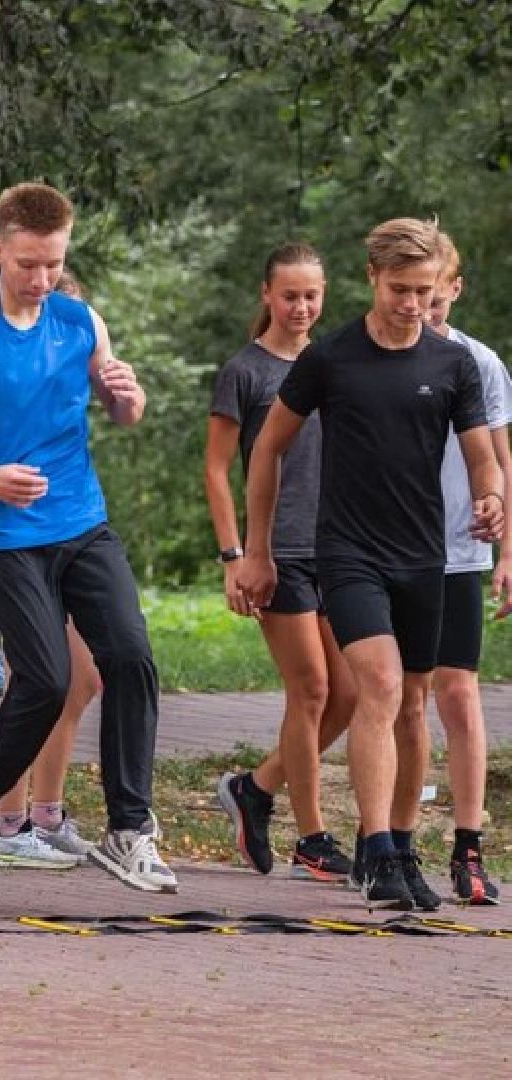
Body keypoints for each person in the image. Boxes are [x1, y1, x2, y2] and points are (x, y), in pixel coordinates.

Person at [0, 181, 178, 894]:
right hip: (3, 533)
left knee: (132, 658)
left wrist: (129, 397)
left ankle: (129, 831)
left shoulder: (81, 322)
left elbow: (122, 412)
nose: (41, 278)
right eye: (27, 263)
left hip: (81, 520)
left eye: (53, 263)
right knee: (46, 680)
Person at [237, 218, 504, 911]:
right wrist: (257, 548)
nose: (411, 304)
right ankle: (378, 847)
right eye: (398, 289)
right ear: (372, 280)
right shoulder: (330, 359)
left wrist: (493, 496)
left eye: (422, 290)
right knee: (380, 687)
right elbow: (267, 449)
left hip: (425, 556)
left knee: (414, 706)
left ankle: (402, 848)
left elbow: (480, 452)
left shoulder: (454, 365)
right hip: (348, 553)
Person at [206, 243, 358, 882]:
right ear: (267, 295)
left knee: (349, 695)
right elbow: (217, 468)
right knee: (312, 689)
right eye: (290, 295)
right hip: (277, 555)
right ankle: (312, 838)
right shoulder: (245, 371)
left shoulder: (334, 364)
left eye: (312, 295)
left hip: (339, 551)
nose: (301, 307)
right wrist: (234, 556)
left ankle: (256, 787)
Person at [404, 230, 510, 904]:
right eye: (417, 298)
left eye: (437, 300)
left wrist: (508, 550)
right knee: (403, 698)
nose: (427, 311)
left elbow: (500, 460)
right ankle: (397, 840)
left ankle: (469, 844)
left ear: (455, 290)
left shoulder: (481, 363)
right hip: (393, 549)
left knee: (459, 694)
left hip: (460, 549)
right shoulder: (378, 356)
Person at [0, 268, 101, 870]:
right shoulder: (10, 377)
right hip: (19, 542)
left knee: (82, 678)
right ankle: (7, 823)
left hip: (73, 533)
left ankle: (46, 815)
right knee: (34, 678)